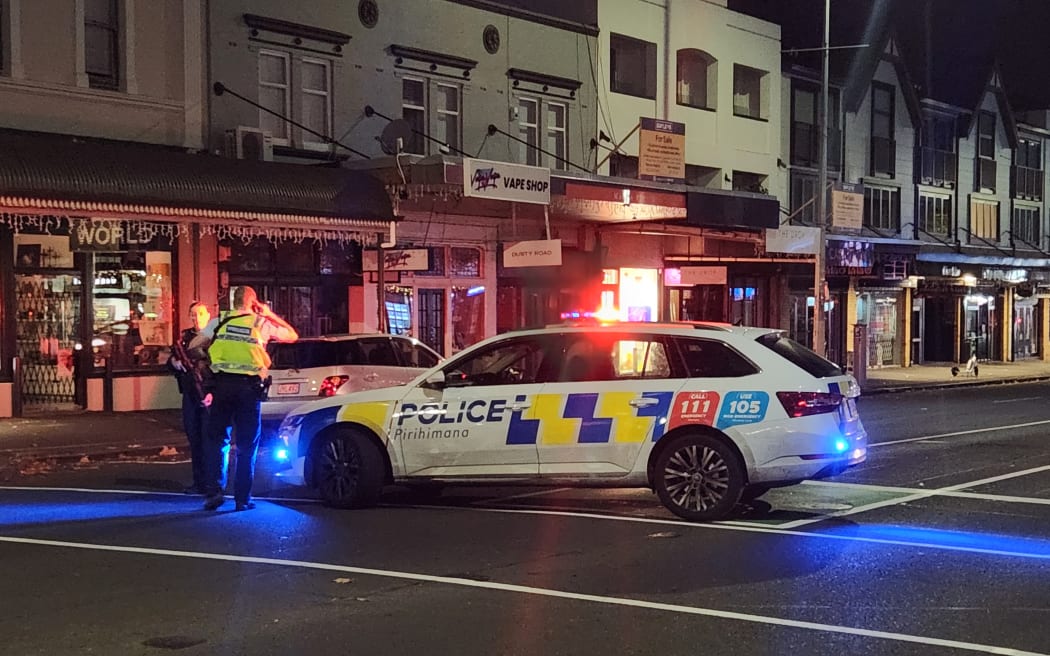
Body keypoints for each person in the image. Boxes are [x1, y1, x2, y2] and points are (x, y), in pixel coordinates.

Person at [191, 286, 298, 511]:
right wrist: (269, 314)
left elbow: (193, 345)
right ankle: (242, 499)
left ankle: (214, 492)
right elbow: (292, 336)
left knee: (218, 442)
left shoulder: (219, 322)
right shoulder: (260, 323)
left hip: (221, 387)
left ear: (233, 302)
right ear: (253, 302)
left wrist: (210, 352)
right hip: (249, 390)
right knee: (247, 445)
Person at [167, 301, 213, 495]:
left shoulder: (213, 335)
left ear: (208, 315)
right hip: (190, 394)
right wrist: (174, 363)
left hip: (209, 393)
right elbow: (170, 361)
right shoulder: (184, 338)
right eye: (193, 314)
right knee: (194, 438)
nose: (197, 318)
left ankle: (212, 482)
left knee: (209, 439)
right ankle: (199, 481)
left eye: (200, 313)